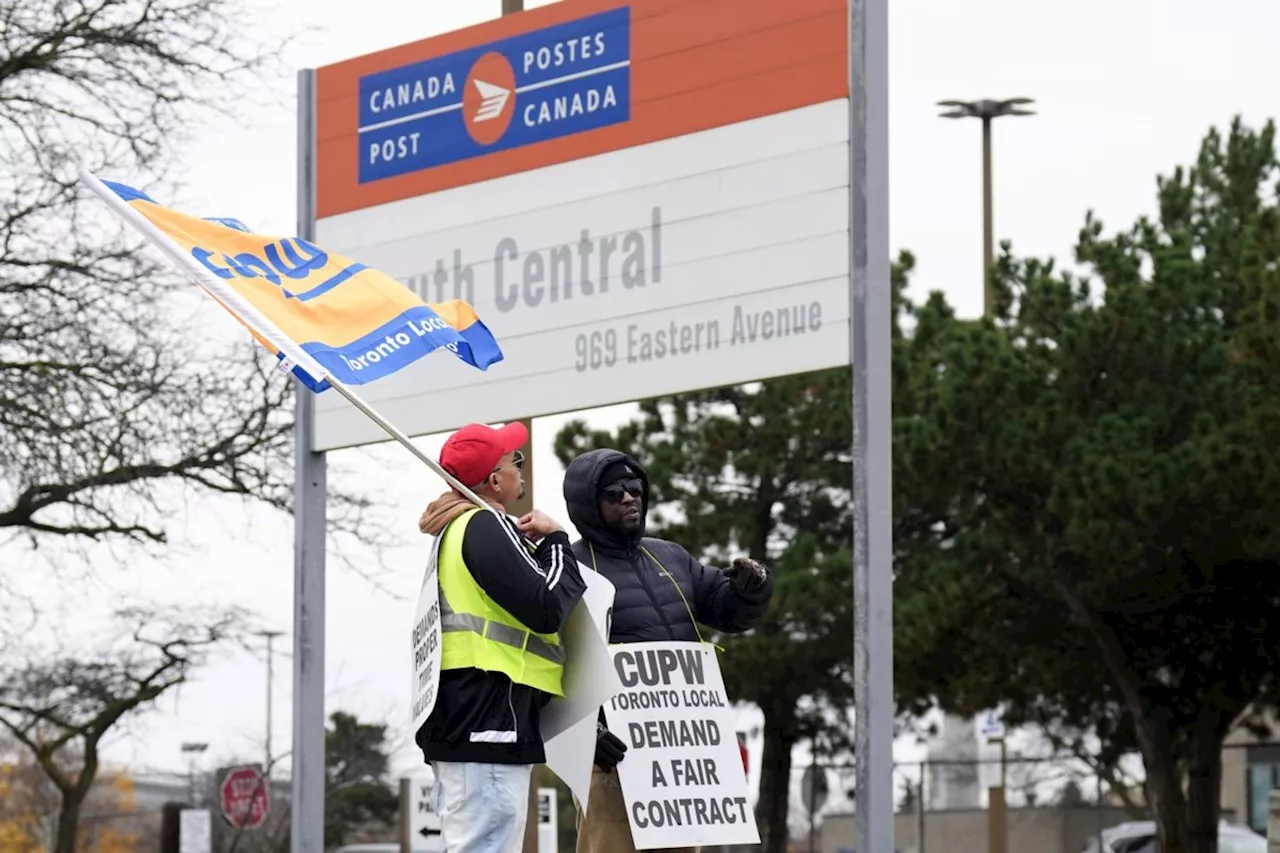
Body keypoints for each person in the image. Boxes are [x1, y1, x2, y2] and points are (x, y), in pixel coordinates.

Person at [561, 448, 774, 853]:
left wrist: (752, 588)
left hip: (677, 762)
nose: (628, 498)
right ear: (587, 506)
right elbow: (548, 659)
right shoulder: (571, 568)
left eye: (634, 488)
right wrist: (585, 731)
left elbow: (727, 609)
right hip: (612, 761)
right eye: (612, 494)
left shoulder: (670, 556)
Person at [416, 421, 587, 853]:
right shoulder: (485, 525)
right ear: (494, 481)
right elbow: (548, 606)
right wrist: (557, 542)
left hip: (472, 722)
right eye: (516, 461)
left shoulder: (454, 531)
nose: (521, 470)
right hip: (488, 722)